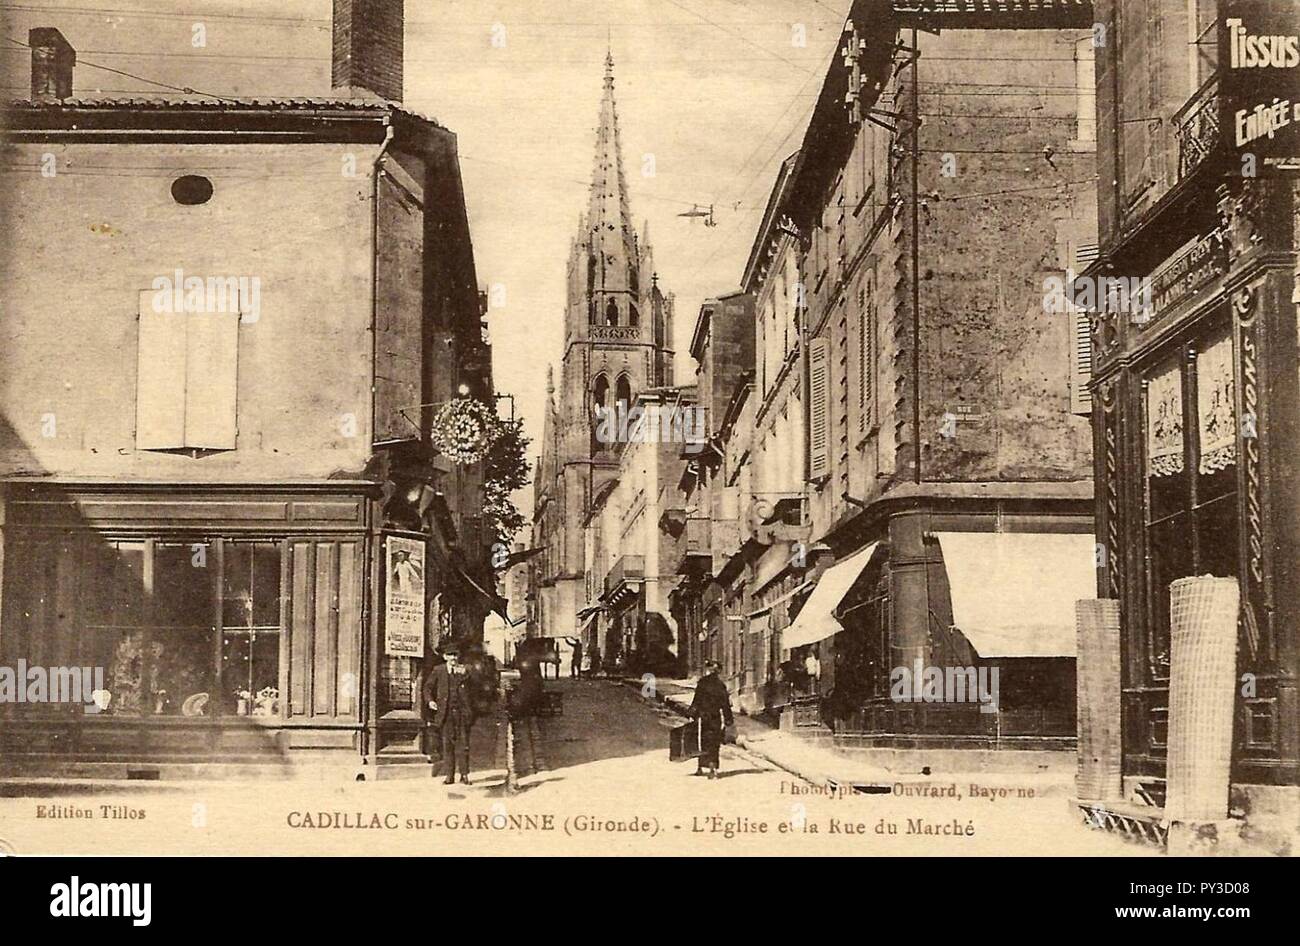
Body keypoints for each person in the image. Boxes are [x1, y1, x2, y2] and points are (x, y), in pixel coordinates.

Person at [423, 645, 474, 785]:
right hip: (445, 714)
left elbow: (474, 689)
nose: (453, 658)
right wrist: (430, 701)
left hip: (462, 714)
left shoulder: (465, 670)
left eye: (456, 655)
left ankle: (464, 775)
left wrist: (462, 674)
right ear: (445, 657)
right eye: (450, 655)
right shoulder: (438, 670)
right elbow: (427, 687)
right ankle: (449, 776)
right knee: (447, 745)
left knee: (463, 744)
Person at [688, 659, 733, 780]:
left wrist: (692, 714)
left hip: (702, 717)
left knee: (702, 741)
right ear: (717, 672)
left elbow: (696, 700)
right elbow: (725, 705)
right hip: (714, 718)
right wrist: (728, 720)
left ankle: (700, 767)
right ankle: (713, 768)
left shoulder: (702, 683)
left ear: (708, 671)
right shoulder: (720, 685)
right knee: (714, 742)